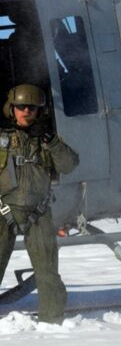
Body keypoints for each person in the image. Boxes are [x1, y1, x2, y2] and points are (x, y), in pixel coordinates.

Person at [0, 84, 79, 324]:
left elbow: (69, 165)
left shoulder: (47, 140)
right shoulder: (2, 139)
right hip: (3, 211)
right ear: (11, 109)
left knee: (48, 272)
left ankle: (52, 322)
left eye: (32, 108)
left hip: (39, 212)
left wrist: (52, 141)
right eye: (22, 106)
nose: (27, 111)